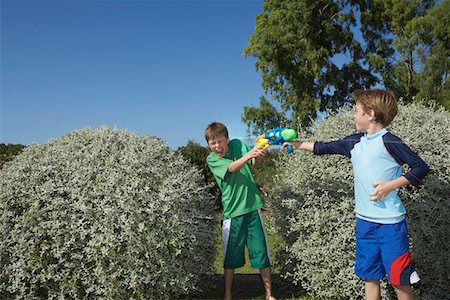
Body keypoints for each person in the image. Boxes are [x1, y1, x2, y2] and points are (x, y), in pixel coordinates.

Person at [283, 89, 428, 300]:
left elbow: (420, 167)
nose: (353, 115)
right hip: (364, 223)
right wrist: (297, 145)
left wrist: (390, 185)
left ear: (370, 114)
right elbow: (324, 147)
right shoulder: (355, 142)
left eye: (356, 110)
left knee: (399, 280)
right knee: (369, 277)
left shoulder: (390, 142)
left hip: (391, 226)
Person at [205, 121, 276, 300]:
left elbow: (252, 163)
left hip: (253, 208)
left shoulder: (237, 144)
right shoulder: (212, 159)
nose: (217, 146)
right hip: (232, 213)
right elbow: (231, 168)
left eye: (220, 141)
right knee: (230, 258)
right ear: (208, 144)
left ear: (227, 139)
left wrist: (259, 154)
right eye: (212, 143)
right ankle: (227, 295)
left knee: (261, 253)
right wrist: (250, 154)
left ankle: (269, 295)